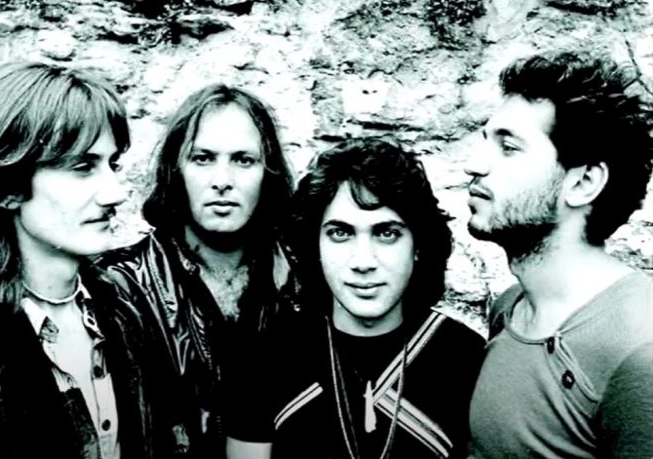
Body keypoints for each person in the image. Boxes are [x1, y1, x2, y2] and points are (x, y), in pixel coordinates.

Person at [225, 137, 486, 459]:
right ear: (314, 245)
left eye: (387, 233)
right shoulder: (268, 358)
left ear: (418, 245)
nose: (363, 262)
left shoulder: (465, 358)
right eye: (340, 233)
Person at [0, 62, 155, 459]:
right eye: (82, 167)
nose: (115, 193)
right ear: (4, 186)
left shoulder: (124, 308)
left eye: (113, 164)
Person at [464, 50, 653, 458]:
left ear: (584, 182)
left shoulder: (641, 352)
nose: (474, 165)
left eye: (508, 147)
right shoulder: (510, 308)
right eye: (485, 142)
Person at [98, 84, 297, 458]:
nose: (222, 180)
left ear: (267, 172)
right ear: (176, 169)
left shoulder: (302, 283)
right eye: (203, 158)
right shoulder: (120, 286)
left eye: (243, 160)